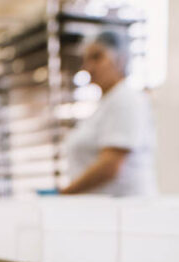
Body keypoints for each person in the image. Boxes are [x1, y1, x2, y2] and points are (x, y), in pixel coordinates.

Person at [61, 30, 156, 196]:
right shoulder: (105, 104)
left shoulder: (125, 98)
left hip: (126, 211)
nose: (88, 67)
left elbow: (110, 165)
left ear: (120, 59)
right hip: (107, 211)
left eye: (97, 57)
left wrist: (66, 193)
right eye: (86, 60)